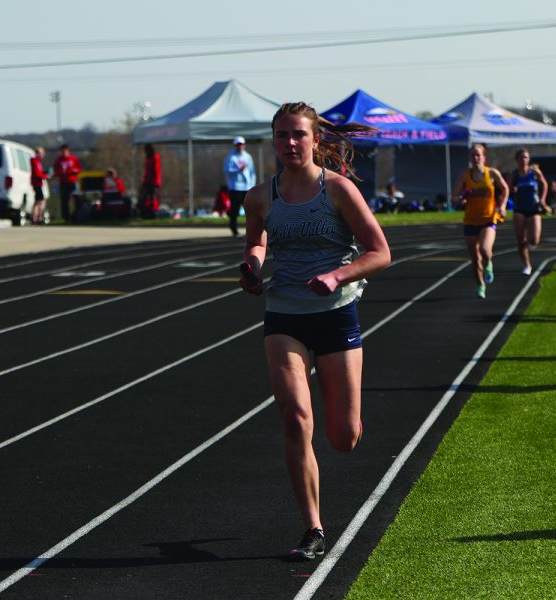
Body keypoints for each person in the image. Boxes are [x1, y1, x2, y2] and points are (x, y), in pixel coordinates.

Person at [239, 102, 391, 561]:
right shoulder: (260, 197)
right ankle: (313, 529)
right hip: (284, 317)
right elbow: (256, 239)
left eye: (298, 135)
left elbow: (380, 251)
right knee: (294, 418)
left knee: (342, 437)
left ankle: (350, 415)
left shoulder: (339, 190)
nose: (289, 143)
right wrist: (253, 265)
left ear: (315, 140)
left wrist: (337, 277)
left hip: (336, 315)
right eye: (281, 135)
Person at [454, 144, 509, 297]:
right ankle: (480, 285)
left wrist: (503, 206)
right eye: (473, 155)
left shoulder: (492, 173)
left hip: (489, 219)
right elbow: (454, 197)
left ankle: (489, 263)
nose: (475, 158)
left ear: (484, 157)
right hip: (471, 220)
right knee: (474, 259)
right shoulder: (465, 175)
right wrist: (459, 200)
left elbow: (505, 189)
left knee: (485, 250)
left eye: (478, 155)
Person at [506, 148, 548, 276]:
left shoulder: (534, 172)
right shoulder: (514, 174)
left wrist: (542, 200)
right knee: (521, 239)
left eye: (525, 157)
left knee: (534, 240)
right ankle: (526, 265)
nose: (523, 160)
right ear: (516, 160)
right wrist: (512, 189)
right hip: (519, 207)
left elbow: (545, 184)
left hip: (534, 207)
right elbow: (507, 188)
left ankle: (531, 244)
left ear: (528, 159)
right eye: (521, 158)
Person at [224, 136, 256, 237]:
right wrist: (238, 170)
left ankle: (252, 230)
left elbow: (252, 172)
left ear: (244, 145)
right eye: (238, 144)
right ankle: (234, 229)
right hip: (235, 187)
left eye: (241, 144)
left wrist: (252, 185)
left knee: (250, 210)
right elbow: (227, 171)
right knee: (235, 210)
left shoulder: (248, 157)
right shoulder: (231, 157)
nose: (240, 146)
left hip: (247, 187)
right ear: (235, 145)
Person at [52, 144, 81, 223]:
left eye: (65, 151)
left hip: (73, 181)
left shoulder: (73, 159)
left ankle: (77, 216)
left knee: (77, 199)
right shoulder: (58, 160)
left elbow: (79, 169)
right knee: (64, 201)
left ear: (68, 151)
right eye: (62, 151)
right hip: (63, 182)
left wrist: (75, 171)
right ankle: (66, 218)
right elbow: (55, 171)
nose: (64, 153)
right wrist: (60, 172)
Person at [139, 144, 161, 219]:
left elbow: (155, 171)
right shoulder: (148, 158)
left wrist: (153, 182)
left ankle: (152, 213)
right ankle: (145, 213)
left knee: (152, 198)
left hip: (153, 182)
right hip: (147, 181)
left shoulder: (155, 158)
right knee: (143, 197)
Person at [30, 146, 49, 224]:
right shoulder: (35, 161)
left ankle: (38, 217)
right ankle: (37, 217)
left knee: (39, 200)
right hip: (36, 183)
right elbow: (37, 173)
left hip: (39, 183)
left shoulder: (38, 162)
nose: (42, 155)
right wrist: (45, 176)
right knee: (39, 201)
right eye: (41, 153)